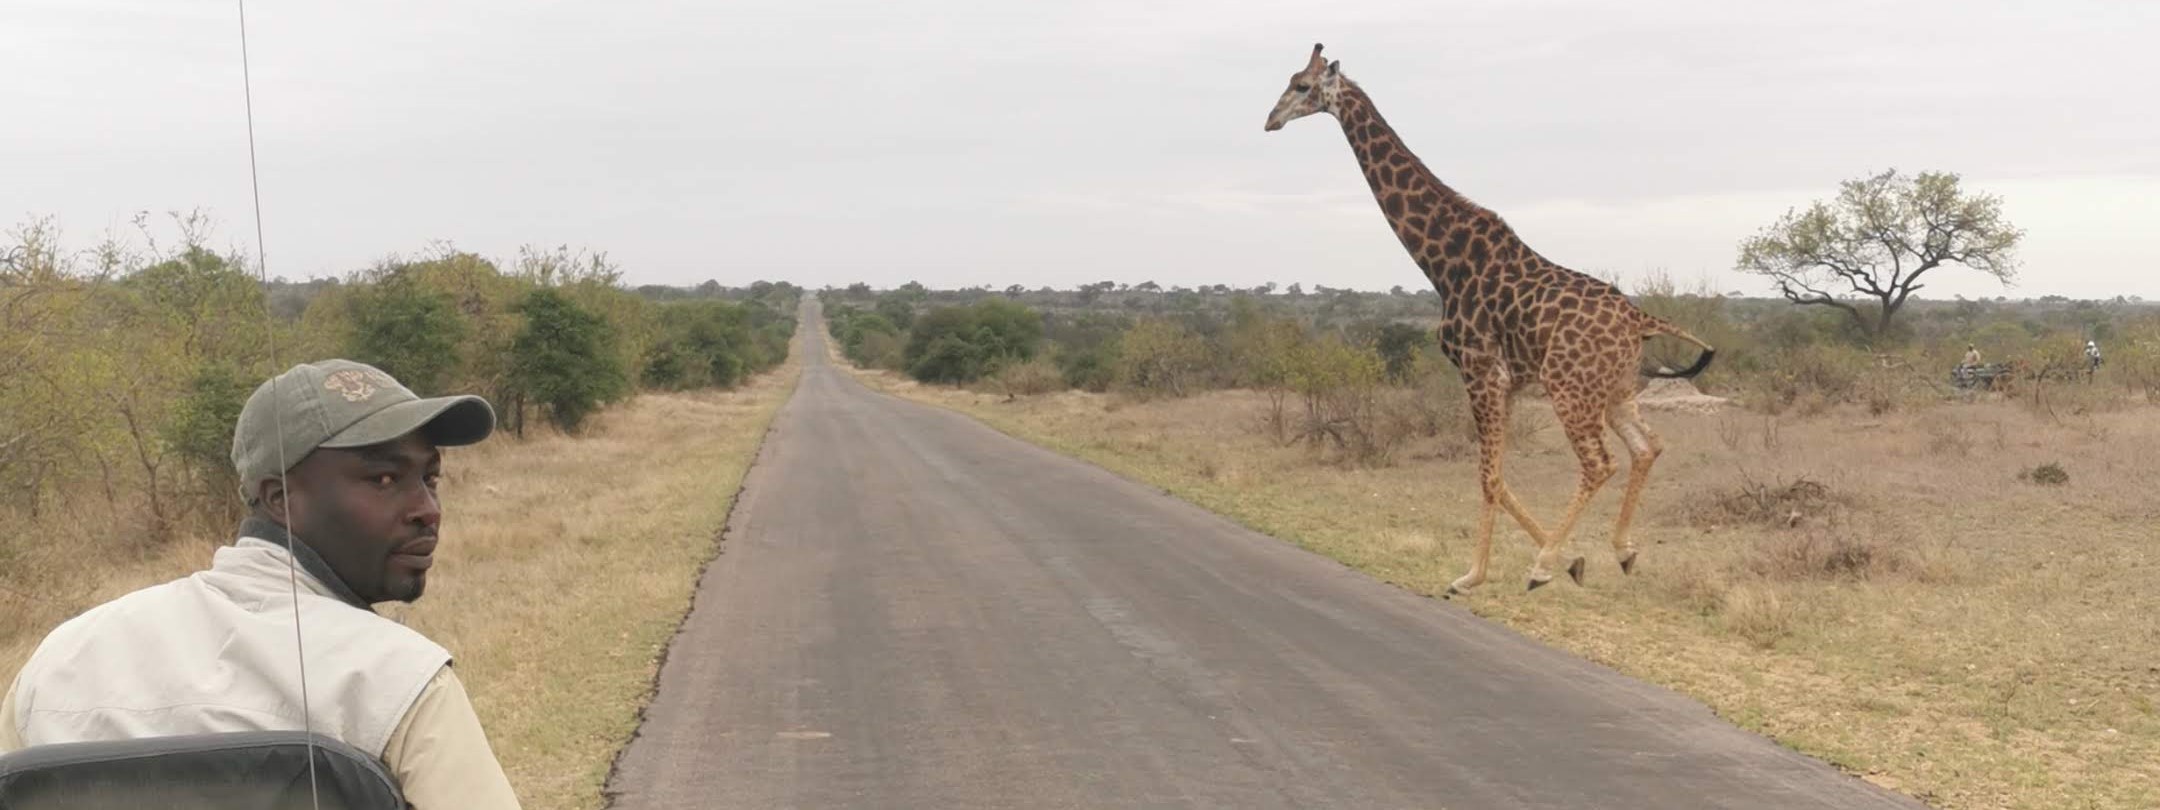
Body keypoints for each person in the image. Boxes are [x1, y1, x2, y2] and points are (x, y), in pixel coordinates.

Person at [1, 359, 521, 809]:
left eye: (429, 478)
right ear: (279, 499)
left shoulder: (61, 659)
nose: (427, 510)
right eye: (384, 479)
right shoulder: (402, 680)